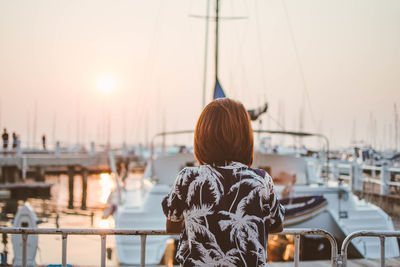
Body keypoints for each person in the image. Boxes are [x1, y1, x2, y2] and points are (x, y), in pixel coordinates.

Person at [162, 98, 285, 266]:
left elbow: (172, 226)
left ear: (202, 137)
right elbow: (277, 225)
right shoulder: (261, 180)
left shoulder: (188, 178)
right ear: (246, 138)